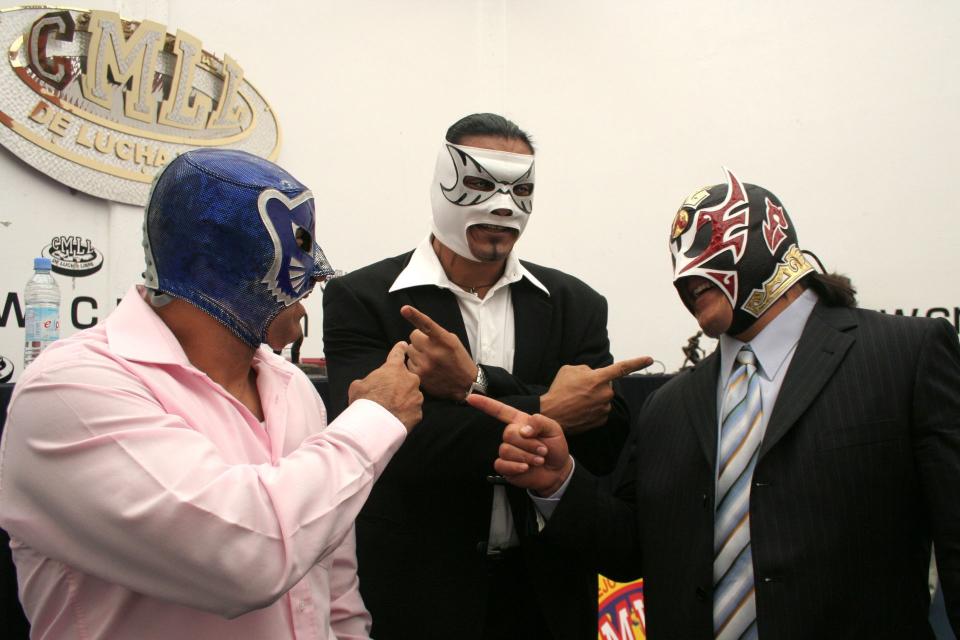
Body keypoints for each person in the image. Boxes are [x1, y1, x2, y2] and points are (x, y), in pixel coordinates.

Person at [470, 168, 960, 638]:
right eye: (677, 258)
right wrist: (559, 482)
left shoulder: (904, 355)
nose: (686, 274)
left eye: (705, 247)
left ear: (768, 237)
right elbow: (631, 549)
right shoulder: (670, 405)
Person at [0, 149, 423, 639]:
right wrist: (374, 418)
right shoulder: (72, 391)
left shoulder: (291, 388)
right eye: (295, 249)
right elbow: (249, 559)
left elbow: (331, 578)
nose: (318, 274)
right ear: (214, 266)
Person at [322, 113, 648, 639]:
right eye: (477, 183)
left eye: (519, 189)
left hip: (545, 598)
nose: (501, 205)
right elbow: (385, 444)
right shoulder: (364, 300)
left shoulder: (576, 305)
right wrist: (548, 410)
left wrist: (475, 383)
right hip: (416, 598)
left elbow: (603, 435)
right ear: (441, 183)